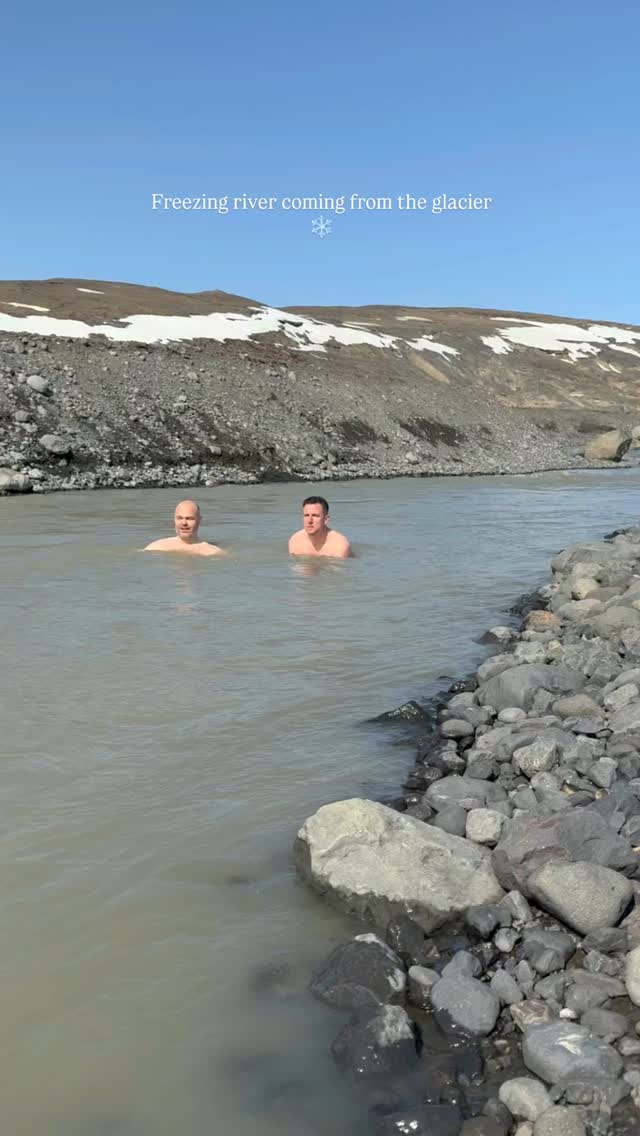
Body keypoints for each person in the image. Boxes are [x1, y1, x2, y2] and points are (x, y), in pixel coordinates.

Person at [143, 500, 226, 556]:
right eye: (179, 518)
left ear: (199, 520)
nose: (184, 523)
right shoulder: (156, 547)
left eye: (189, 518)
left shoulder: (212, 552)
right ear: (174, 519)